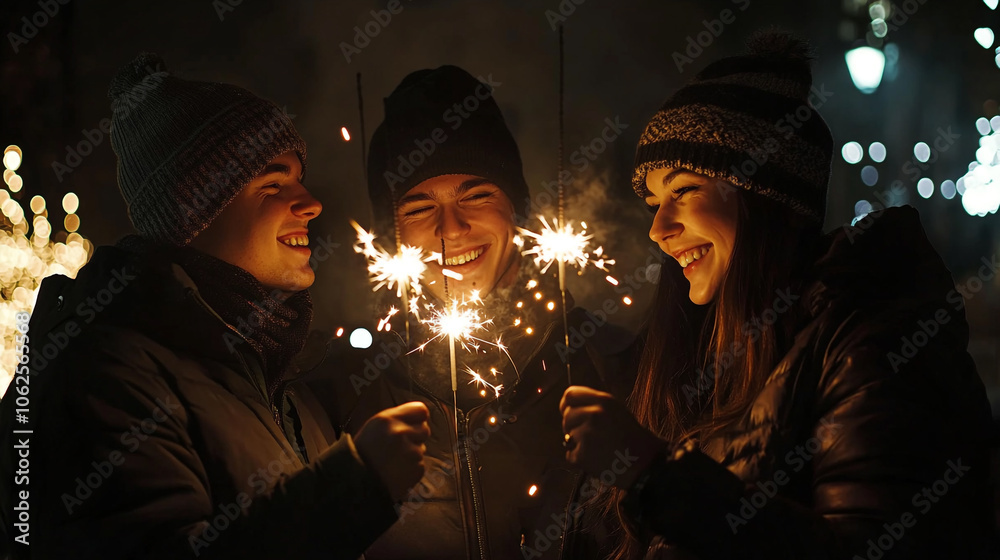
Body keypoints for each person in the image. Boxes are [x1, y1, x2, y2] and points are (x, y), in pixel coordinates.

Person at [559, 32, 996, 559]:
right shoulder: (699, 353)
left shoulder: (876, 345)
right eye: (653, 201)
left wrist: (656, 476)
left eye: (684, 191)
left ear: (764, 197)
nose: (658, 228)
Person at [0, 53, 430, 560]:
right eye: (273, 184)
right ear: (196, 211)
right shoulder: (101, 374)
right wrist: (353, 489)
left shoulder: (274, 380)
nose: (310, 202)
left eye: (299, 178)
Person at [307, 65, 636, 560]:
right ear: (388, 237)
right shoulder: (336, 394)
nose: (451, 228)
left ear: (517, 208)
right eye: (418, 208)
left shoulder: (617, 364)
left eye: (476, 195)